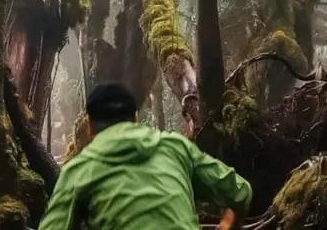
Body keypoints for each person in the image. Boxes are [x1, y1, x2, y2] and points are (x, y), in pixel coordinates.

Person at [38, 82, 253, 230]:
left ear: (90, 127)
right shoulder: (176, 147)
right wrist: (229, 220)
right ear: (136, 117)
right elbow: (240, 191)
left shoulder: (79, 170)